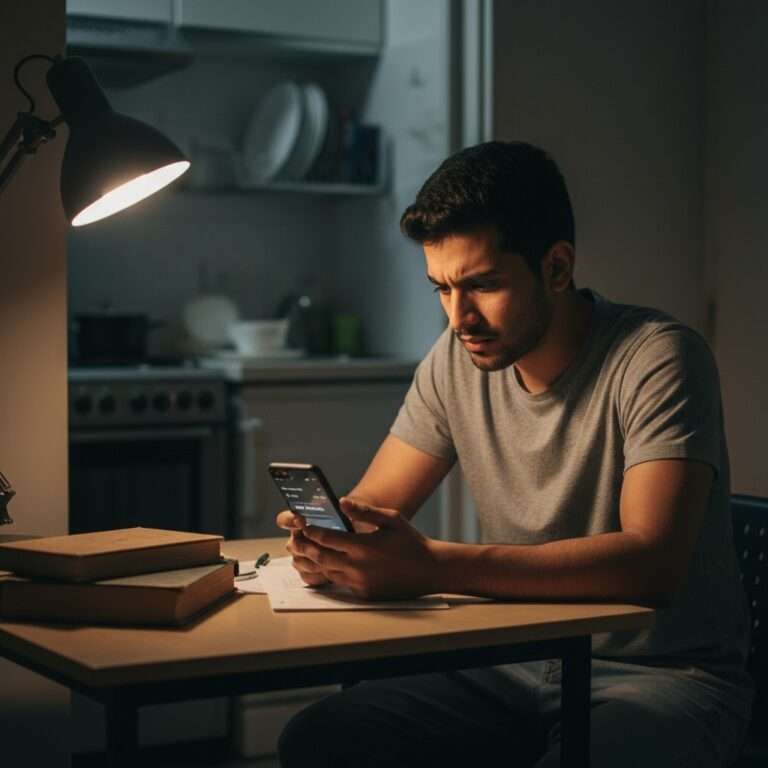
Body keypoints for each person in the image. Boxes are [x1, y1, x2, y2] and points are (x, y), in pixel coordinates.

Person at [275, 141, 753, 767]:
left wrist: (431, 567)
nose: (458, 318)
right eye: (441, 289)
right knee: (323, 738)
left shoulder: (658, 358)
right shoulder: (456, 361)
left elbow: (651, 564)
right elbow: (373, 507)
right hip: (511, 663)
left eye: (482, 285)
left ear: (557, 267)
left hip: (662, 677)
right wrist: (335, 546)